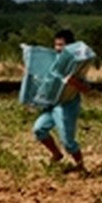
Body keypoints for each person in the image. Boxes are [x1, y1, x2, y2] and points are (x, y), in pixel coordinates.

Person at [33, 29, 92, 172]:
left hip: (67, 105)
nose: (58, 49)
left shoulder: (76, 66)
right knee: (39, 129)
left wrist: (73, 82)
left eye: (61, 45)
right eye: (56, 45)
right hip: (51, 105)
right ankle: (56, 154)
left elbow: (86, 88)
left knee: (68, 142)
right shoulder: (53, 62)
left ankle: (81, 167)